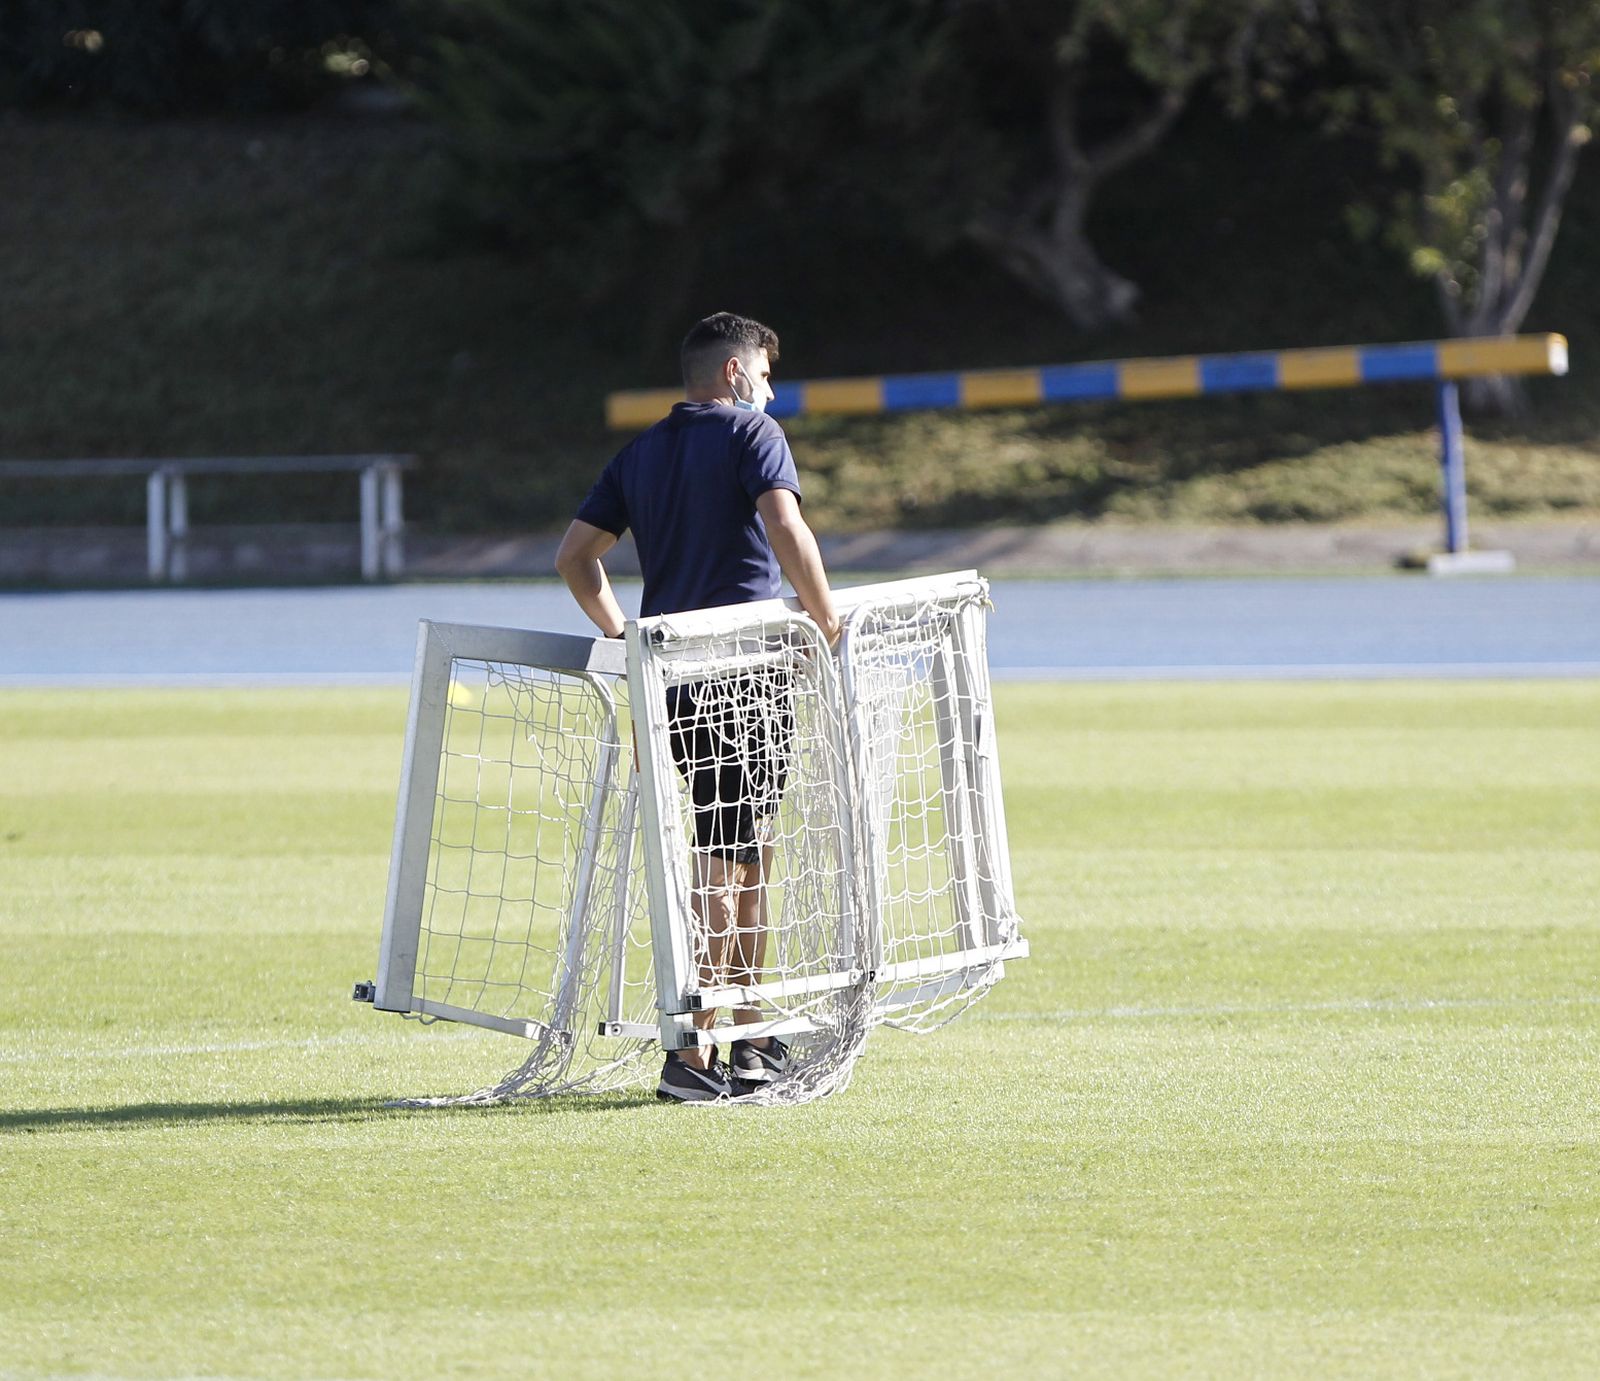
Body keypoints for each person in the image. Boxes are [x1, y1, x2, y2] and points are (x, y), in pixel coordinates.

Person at [555, 311, 841, 1102]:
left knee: (742, 847)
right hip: (746, 667)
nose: (771, 392)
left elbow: (575, 557)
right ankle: (695, 1051)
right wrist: (828, 621)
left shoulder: (640, 451)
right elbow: (787, 526)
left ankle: (746, 1031)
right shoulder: (752, 435)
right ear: (734, 373)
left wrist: (625, 638)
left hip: (676, 677)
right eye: (766, 376)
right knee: (725, 857)